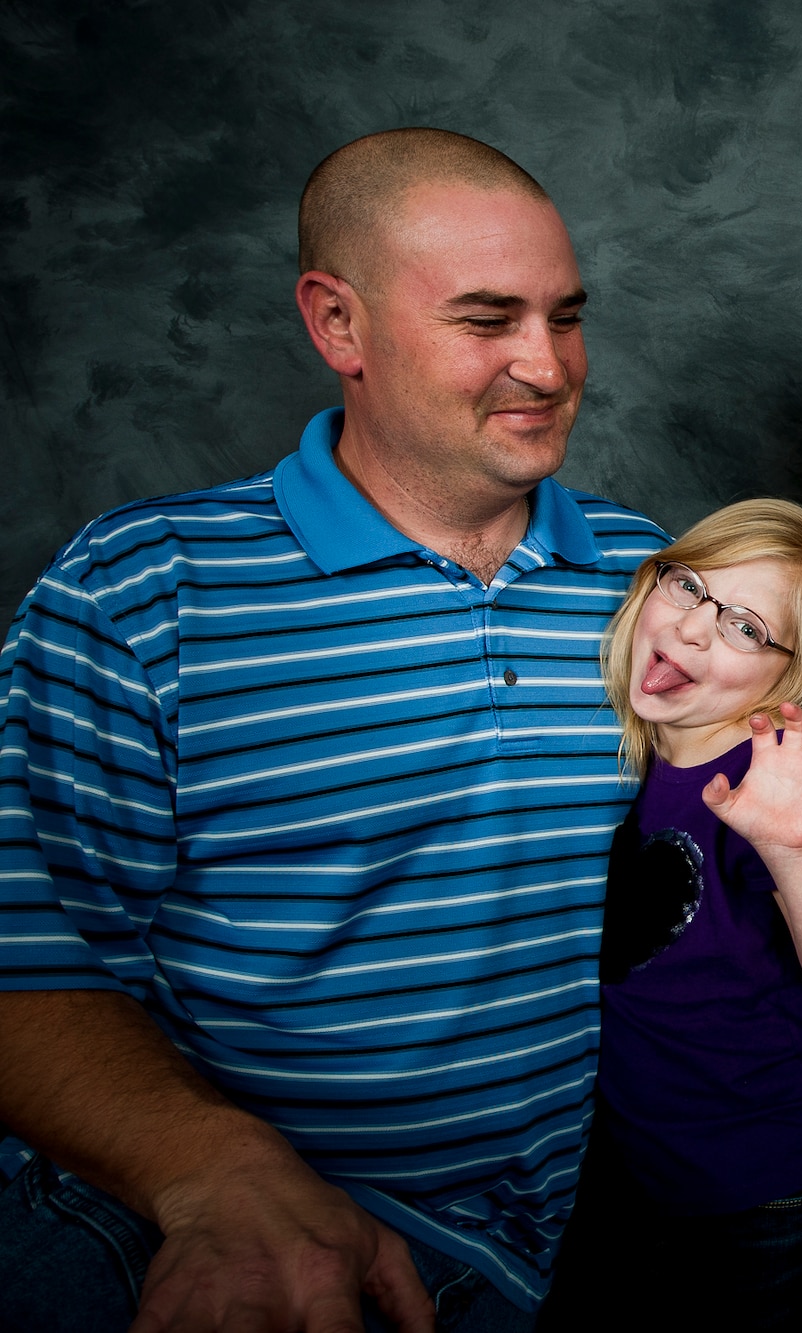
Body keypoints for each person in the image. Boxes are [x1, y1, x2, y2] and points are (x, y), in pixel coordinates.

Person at [0, 128, 666, 1330]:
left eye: (565, 316)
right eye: (486, 319)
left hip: (537, 1241)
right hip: (182, 1202)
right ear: (337, 325)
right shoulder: (145, 592)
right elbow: (25, 963)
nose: (548, 363)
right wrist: (213, 1168)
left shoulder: (656, 585)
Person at [537, 500, 802, 1330]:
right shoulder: (630, 747)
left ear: (787, 676)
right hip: (638, 1177)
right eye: (687, 586)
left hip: (771, 1189)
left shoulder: (771, 779)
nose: (693, 629)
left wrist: (795, 849)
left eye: (744, 627)